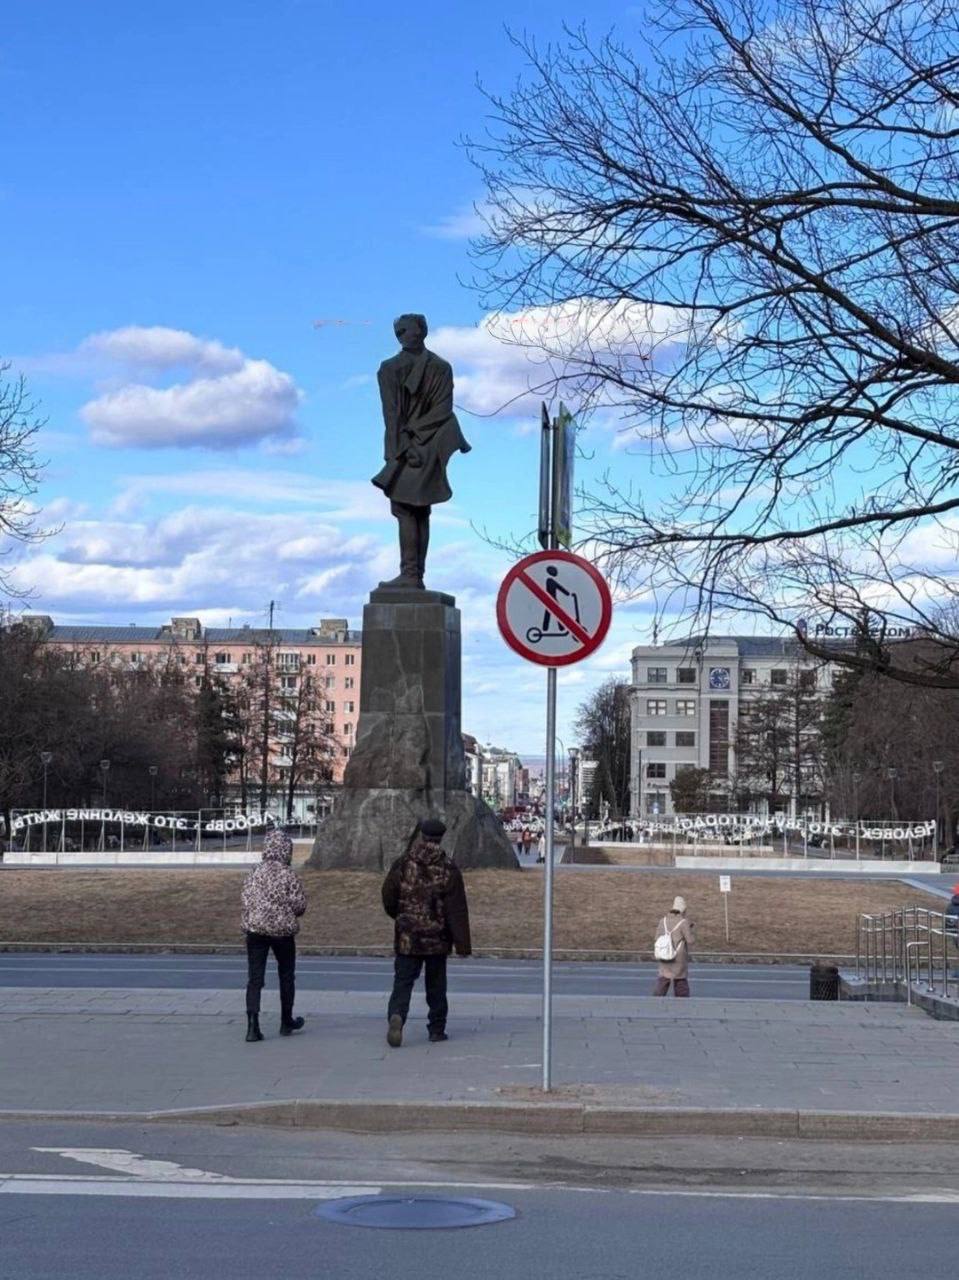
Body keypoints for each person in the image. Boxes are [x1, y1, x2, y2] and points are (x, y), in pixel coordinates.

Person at [371, 313, 471, 589]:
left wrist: (403, 447)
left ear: (421, 331)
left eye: (409, 329)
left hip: (425, 444)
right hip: (419, 443)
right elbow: (391, 413)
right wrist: (403, 448)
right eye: (401, 330)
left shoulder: (434, 367)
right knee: (416, 509)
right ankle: (413, 575)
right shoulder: (392, 368)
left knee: (409, 508)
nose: (406, 334)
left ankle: (411, 575)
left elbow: (438, 409)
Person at [381, 816, 472, 1046]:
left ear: (422, 836)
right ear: (440, 839)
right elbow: (456, 909)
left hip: (407, 937)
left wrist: (400, 916)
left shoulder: (404, 863)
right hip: (436, 939)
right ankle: (436, 1029)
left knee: (402, 982)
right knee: (436, 985)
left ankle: (398, 1016)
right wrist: (462, 944)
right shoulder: (448, 868)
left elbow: (388, 894)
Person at [241, 826, 307, 1042]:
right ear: (286, 850)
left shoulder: (254, 873)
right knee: (286, 975)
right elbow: (299, 906)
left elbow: (246, 900)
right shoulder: (288, 875)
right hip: (282, 932)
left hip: (256, 930)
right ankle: (286, 1021)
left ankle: (253, 1025)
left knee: (255, 977)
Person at [653, 896, 695, 997]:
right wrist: (689, 929)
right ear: (683, 910)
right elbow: (690, 941)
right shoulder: (683, 922)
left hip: (665, 955)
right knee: (680, 981)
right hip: (678, 957)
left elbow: (656, 937)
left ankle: (656, 1000)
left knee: (663, 979)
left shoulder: (662, 921)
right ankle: (681, 1003)